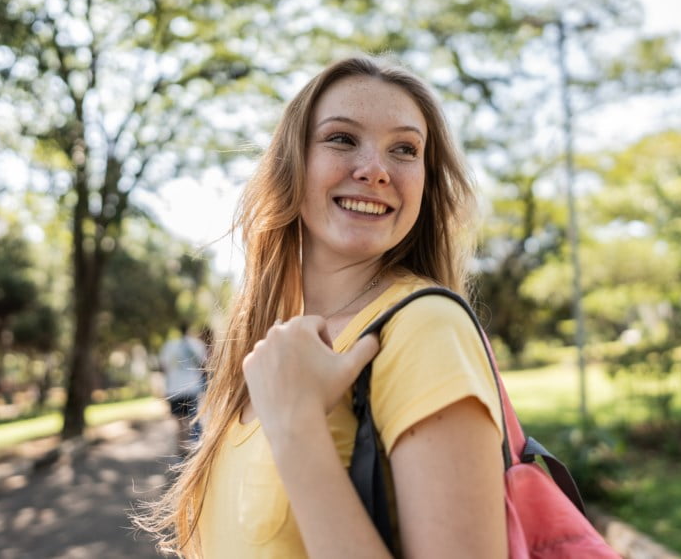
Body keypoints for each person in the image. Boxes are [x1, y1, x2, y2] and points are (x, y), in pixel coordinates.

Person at [143, 55, 507, 557]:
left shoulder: (424, 328)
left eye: (404, 149)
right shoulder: (263, 348)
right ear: (292, 164)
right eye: (342, 138)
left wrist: (297, 430)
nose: (375, 170)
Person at [159, 324, 208, 458]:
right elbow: (203, 366)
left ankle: (181, 450)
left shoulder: (169, 346)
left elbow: (163, 367)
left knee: (178, 421)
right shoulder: (197, 345)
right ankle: (190, 451)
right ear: (189, 330)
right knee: (190, 420)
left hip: (174, 388)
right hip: (191, 387)